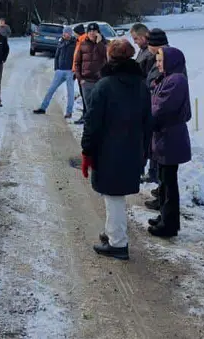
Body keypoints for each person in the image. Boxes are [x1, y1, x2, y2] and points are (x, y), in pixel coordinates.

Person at [80, 40, 151, 261]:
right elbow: (148, 121)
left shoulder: (104, 85)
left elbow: (92, 122)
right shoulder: (141, 85)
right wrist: (144, 150)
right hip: (132, 147)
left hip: (109, 149)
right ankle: (113, 232)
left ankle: (118, 243)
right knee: (114, 195)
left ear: (110, 57)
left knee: (113, 196)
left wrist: (86, 150)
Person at [146, 46, 191, 239]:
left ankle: (169, 224)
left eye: (160, 60)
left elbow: (161, 107)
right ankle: (163, 216)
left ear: (171, 61)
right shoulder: (167, 78)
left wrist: (146, 117)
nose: (157, 64)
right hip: (164, 136)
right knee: (164, 181)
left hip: (171, 137)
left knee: (170, 182)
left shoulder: (177, 81)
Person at [129, 23, 158, 184]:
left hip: (147, 100)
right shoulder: (143, 51)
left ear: (143, 36)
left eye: (136, 39)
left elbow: (144, 75)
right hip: (142, 99)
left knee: (147, 140)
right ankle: (145, 169)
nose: (135, 42)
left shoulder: (150, 54)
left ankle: (148, 170)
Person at [33, 25, 76, 118]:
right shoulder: (61, 42)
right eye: (65, 32)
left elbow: (77, 58)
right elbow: (57, 56)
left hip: (70, 71)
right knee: (51, 89)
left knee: (70, 93)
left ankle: (69, 112)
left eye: (67, 33)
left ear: (70, 34)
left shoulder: (75, 43)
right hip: (60, 70)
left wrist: (75, 70)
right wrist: (56, 68)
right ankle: (43, 107)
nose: (66, 34)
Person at [72, 22, 108, 125]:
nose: (92, 33)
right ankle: (89, 127)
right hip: (86, 81)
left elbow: (106, 58)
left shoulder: (104, 45)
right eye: (90, 31)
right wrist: (80, 78)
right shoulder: (83, 44)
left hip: (99, 81)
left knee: (99, 107)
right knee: (88, 106)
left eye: (94, 31)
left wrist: (99, 43)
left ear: (98, 33)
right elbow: (77, 62)